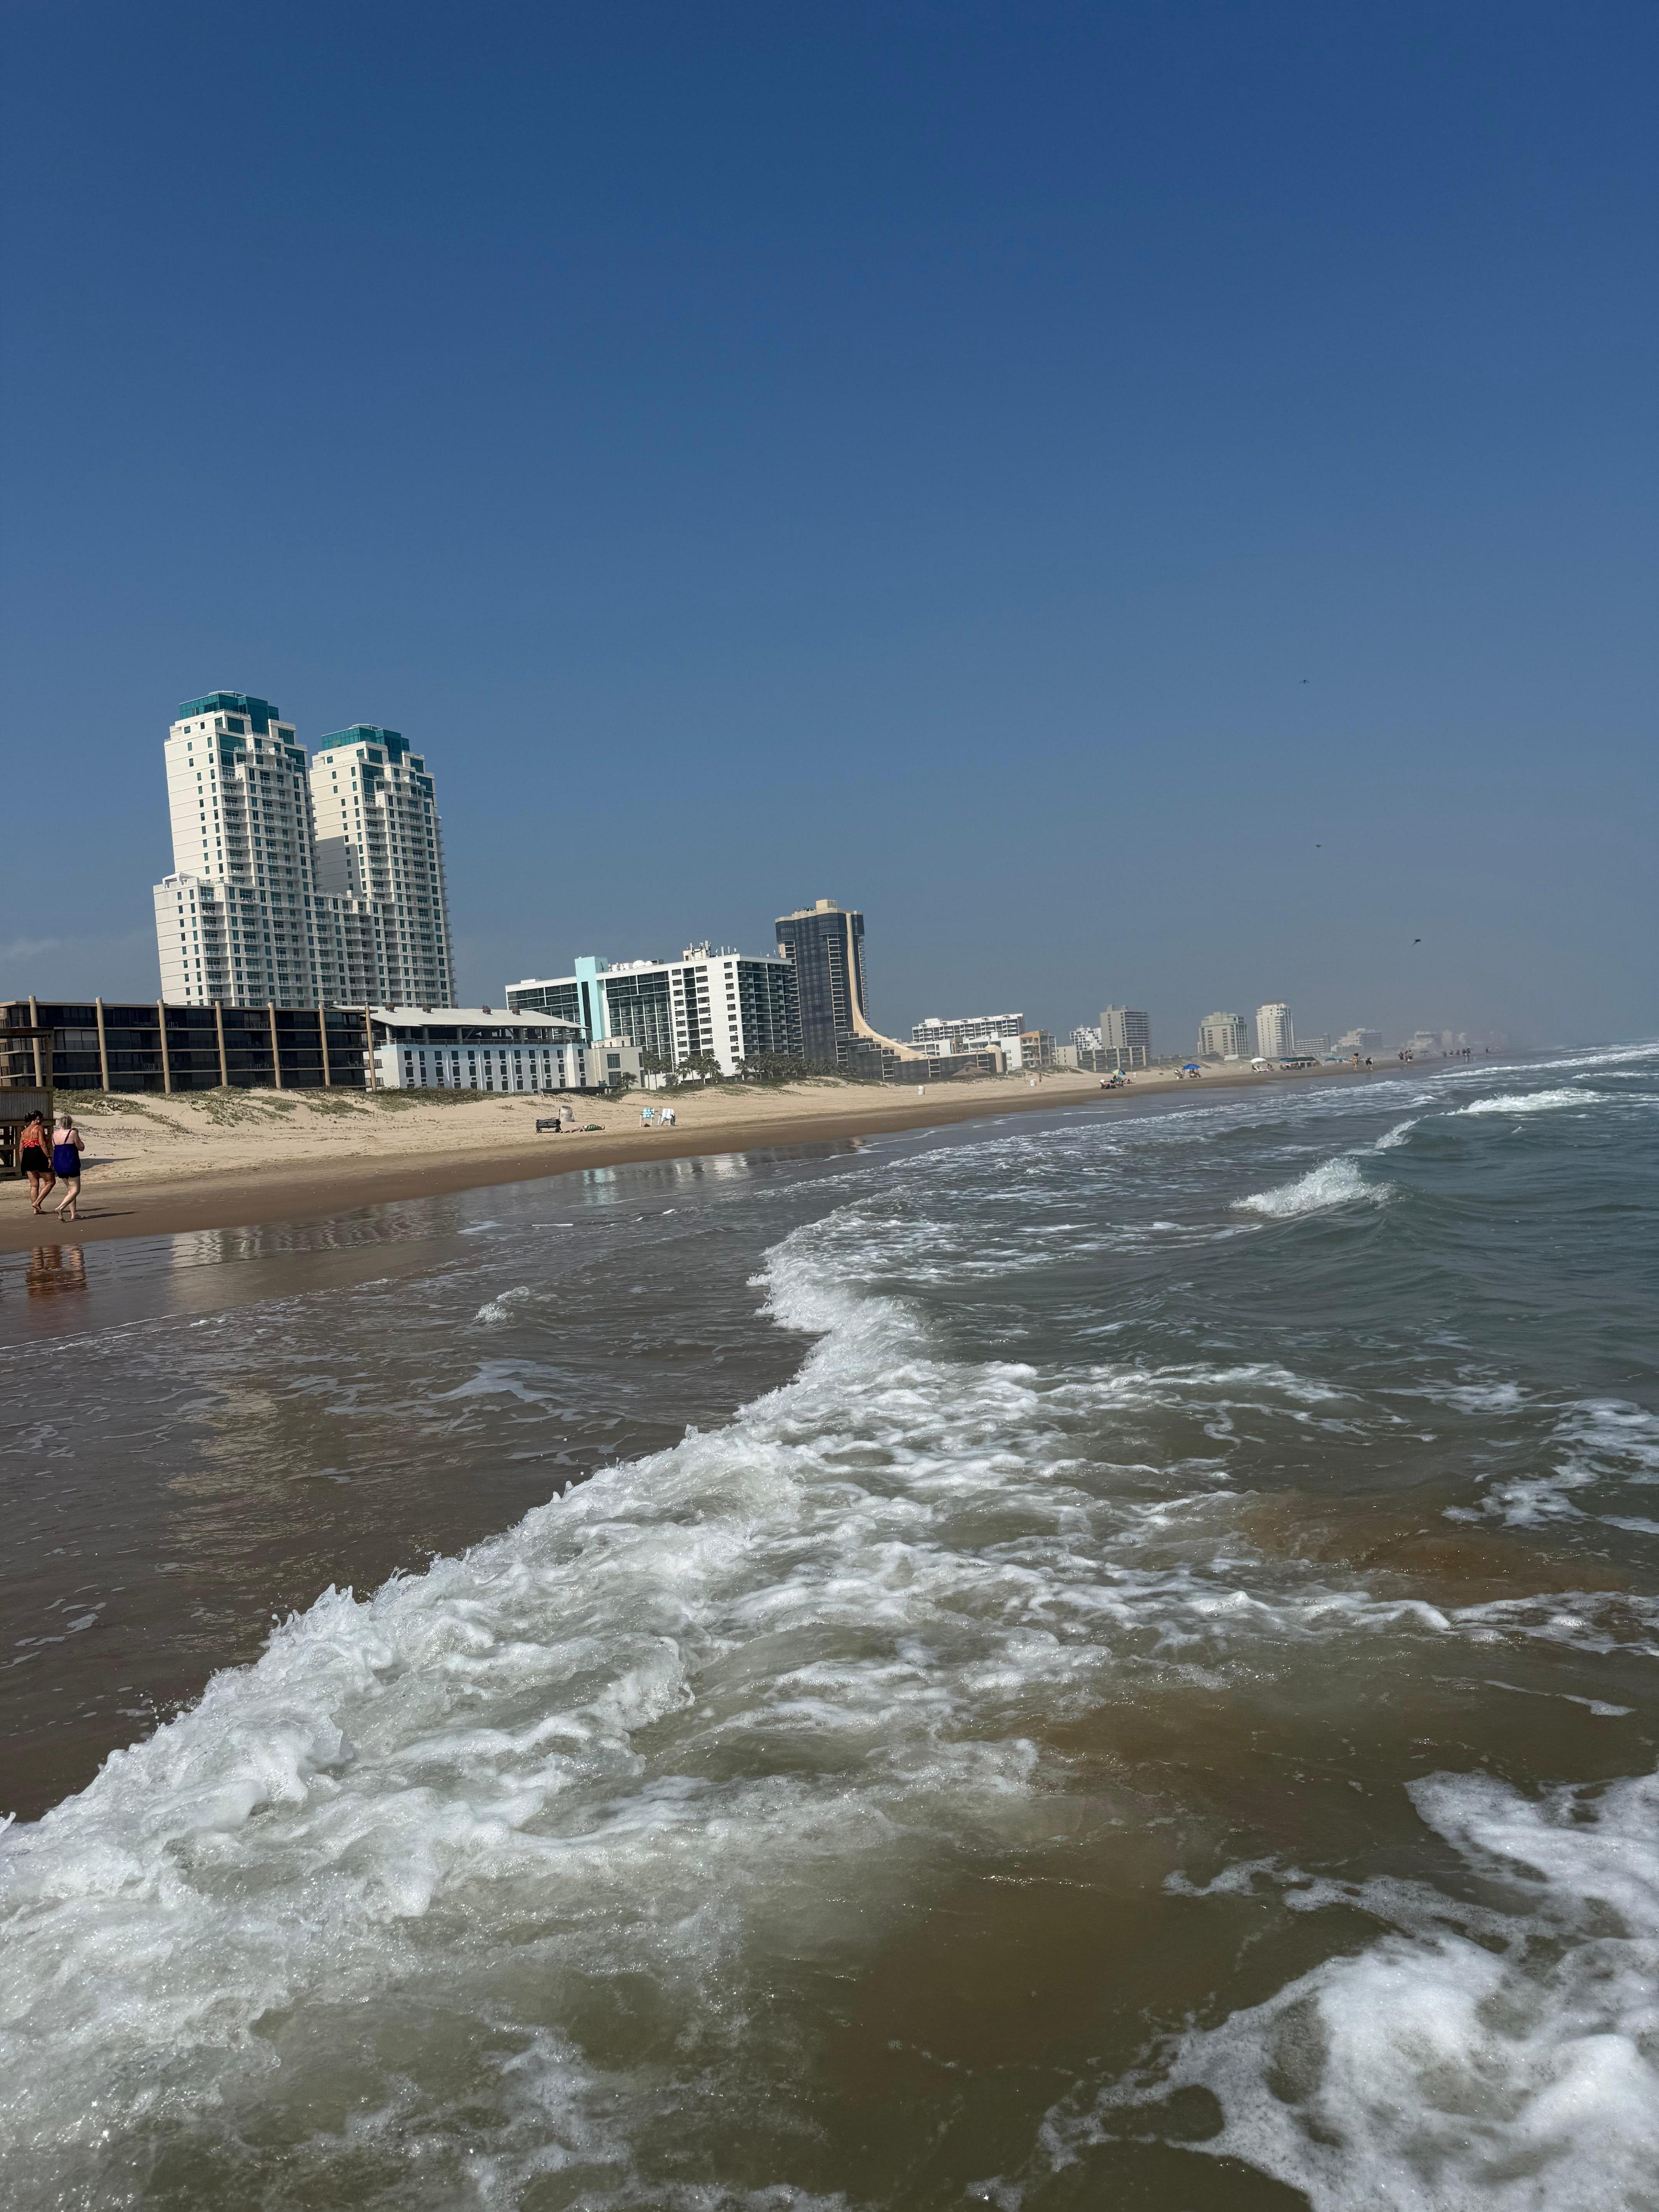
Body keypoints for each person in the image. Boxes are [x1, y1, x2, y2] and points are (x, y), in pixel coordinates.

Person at [19, 1110, 55, 1214]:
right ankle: (37, 1203)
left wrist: (23, 1162)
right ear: (38, 1118)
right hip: (38, 1154)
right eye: (41, 1119)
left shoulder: (24, 1131)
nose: (42, 1121)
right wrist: (48, 1157)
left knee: (34, 1185)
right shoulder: (39, 1128)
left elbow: (21, 1149)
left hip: (27, 1156)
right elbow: (43, 1144)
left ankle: (36, 1210)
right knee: (51, 1182)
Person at [50, 1114, 84, 1222]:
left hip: (59, 1164)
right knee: (76, 1190)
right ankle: (60, 1208)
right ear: (70, 1123)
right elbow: (81, 1147)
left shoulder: (54, 1134)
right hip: (70, 1163)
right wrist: (77, 1135)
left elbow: (55, 1147)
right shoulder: (73, 1133)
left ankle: (74, 1214)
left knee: (70, 1190)